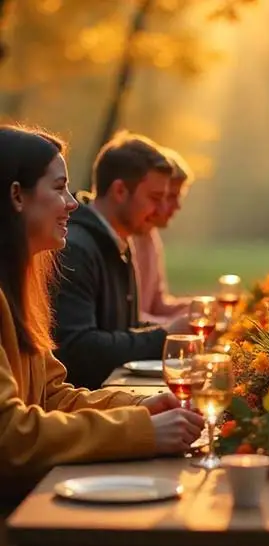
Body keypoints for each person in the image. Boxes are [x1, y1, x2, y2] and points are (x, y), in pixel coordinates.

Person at [0, 125, 203, 508]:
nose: (73, 203)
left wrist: (136, 405)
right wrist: (141, 430)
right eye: (59, 188)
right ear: (16, 196)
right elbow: (10, 435)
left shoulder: (20, 288)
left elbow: (51, 395)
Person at [52, 131, 187, 390]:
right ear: (120, 191)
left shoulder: (118, 243)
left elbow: (122, 330)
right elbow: (78, 348)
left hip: (111, 400)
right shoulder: (77, 249)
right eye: (155, 198)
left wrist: (176, 330)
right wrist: (166, 336)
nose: (161, 211)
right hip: (82, 412)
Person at [131, 147, 193, 324]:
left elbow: (157, 303)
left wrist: (194, 307)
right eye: (171, 196)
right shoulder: (126, 238)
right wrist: (177, 325)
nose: (178, 206)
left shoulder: (150, 236)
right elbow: (129, 318)